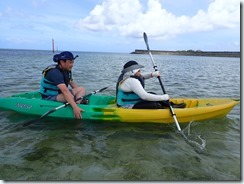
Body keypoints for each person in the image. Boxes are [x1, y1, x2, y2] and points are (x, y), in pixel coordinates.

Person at [116, 60, 185, 109]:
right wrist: (163, 97)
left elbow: (142, 76)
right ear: (132, 71)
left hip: (135, 101)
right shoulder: (131, 81)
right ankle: (164, 109)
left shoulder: (127, 76)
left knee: (153, 93)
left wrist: (152, 74)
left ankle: (170, 105)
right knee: (155, 105)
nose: (140, 71)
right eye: (138, 70)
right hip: (126, 105)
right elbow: (144, 96)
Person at [40, 51, 86, 119]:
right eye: (70, 62)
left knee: (82, 89)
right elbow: (65, 91)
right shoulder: (55, 72)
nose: (72, 64)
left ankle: (78, 105)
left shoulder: (67, 70)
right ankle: (75, 108)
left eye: (72, 62)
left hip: (60, 94)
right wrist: (75, 107)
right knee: (70, 96)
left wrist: (81, 97)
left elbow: (73, 85)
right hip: (49, 96)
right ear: (62, 62)